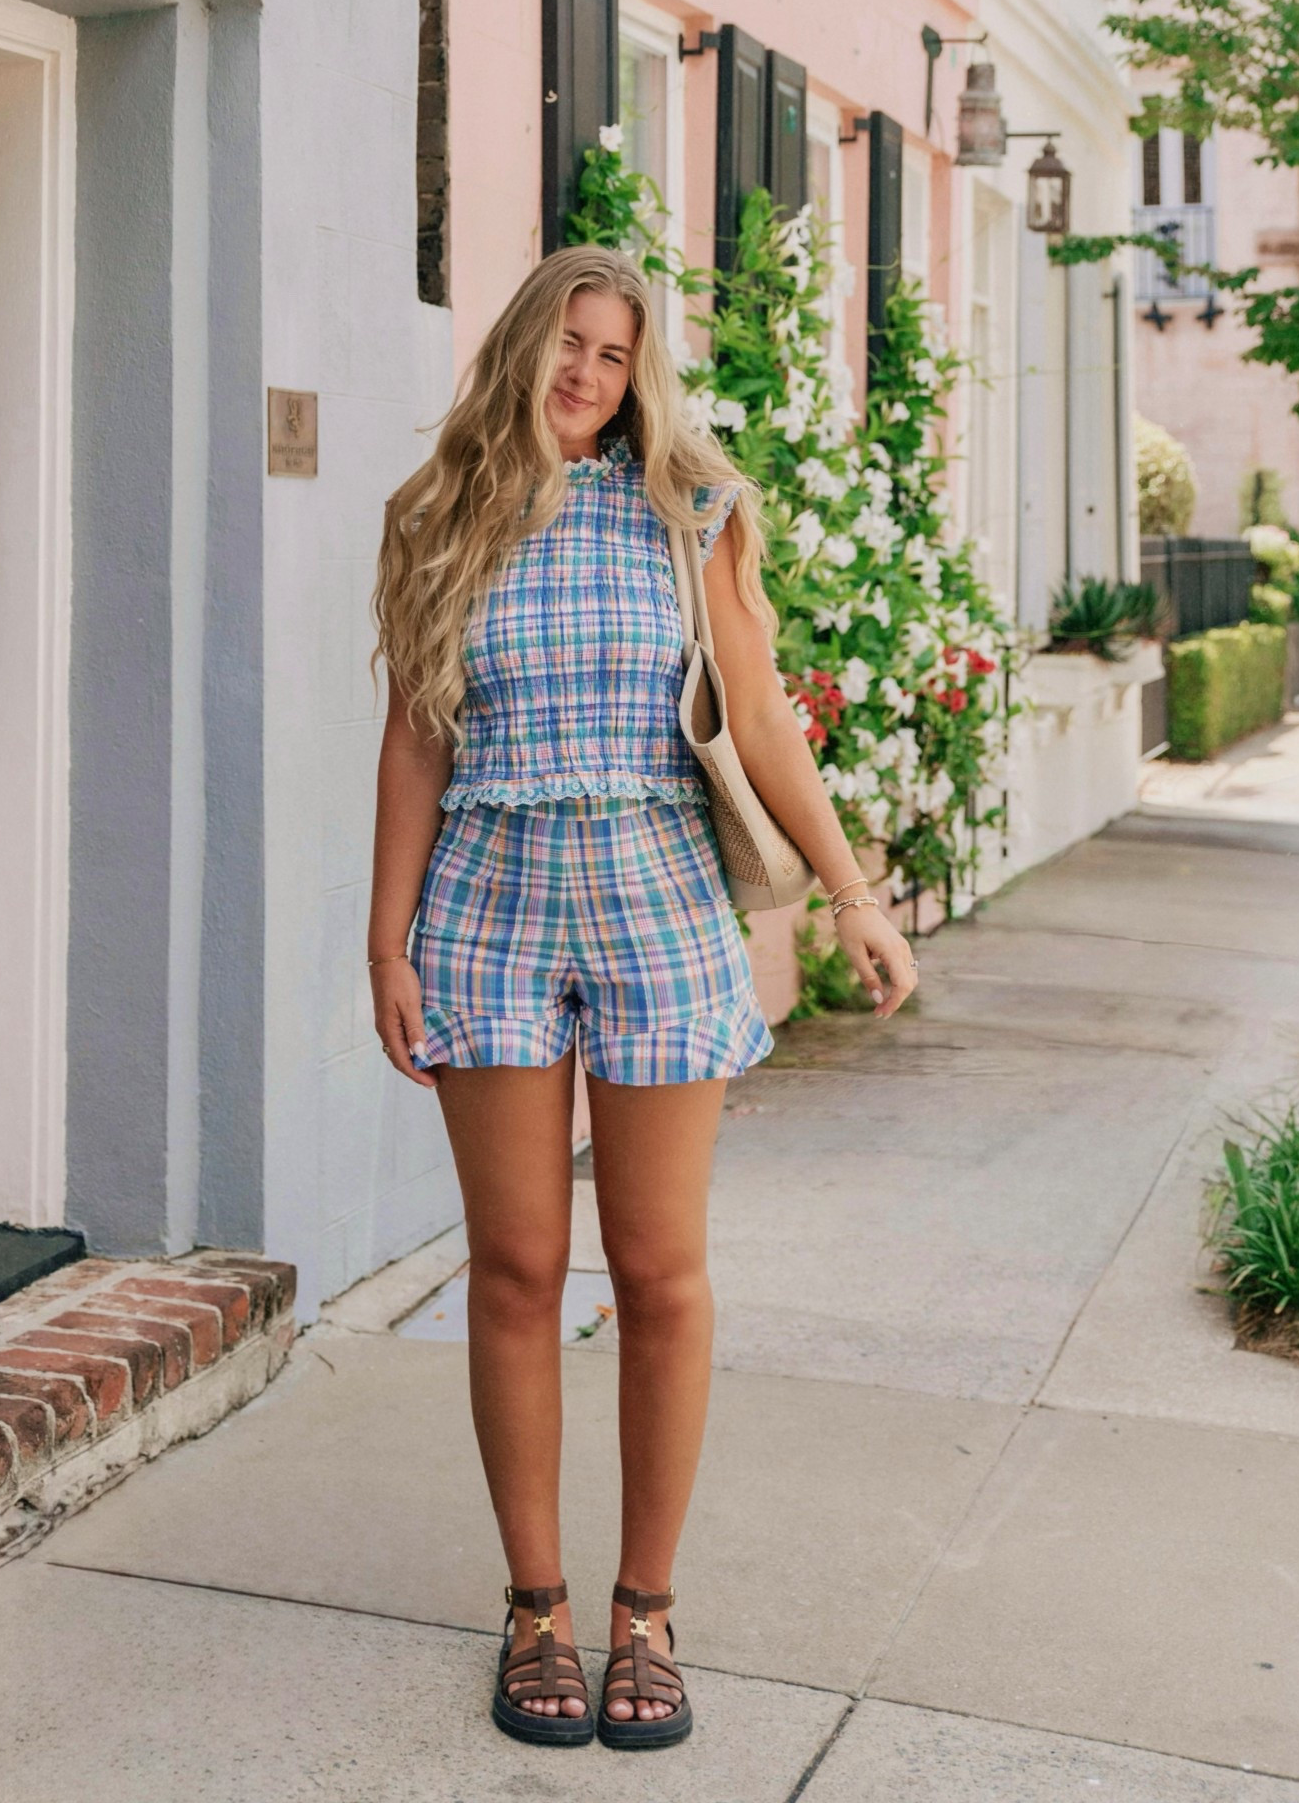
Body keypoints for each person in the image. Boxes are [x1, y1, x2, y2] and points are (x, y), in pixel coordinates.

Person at [367, 245, 917, 1750]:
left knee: (661, 1270)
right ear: (521, 346)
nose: (586, 375)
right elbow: (418, 738)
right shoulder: (436, 519)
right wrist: (386, 939)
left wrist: (852, 893)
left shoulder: (691, 515)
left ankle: (646, 1612)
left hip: (661, 909)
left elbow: (758, 714)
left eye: (615, 354)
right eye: (567, 343)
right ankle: (536, 1605)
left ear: (637, 375)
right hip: (486, 907)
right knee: (518, 1270)